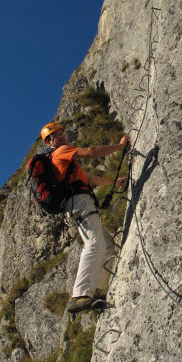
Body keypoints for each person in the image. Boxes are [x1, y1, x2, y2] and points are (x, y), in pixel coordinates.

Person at [40, 121, 129, 314]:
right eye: (55, 135)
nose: (61, 136)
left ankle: (94, 290)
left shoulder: (68, 166)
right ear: (49, 142)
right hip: (79, 204)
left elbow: (90, 179)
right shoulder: (61, 151)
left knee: (107, 245)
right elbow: (91, 152)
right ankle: (80, 295)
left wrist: (114, 183)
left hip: (77, 205)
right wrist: (120, 146)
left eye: (62, 132)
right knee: (95, 244)